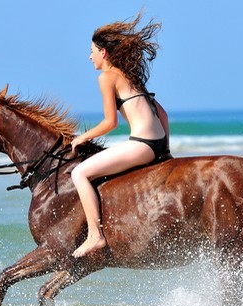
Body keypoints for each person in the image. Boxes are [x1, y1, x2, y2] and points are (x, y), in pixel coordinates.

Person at [70, 12, 170, 258]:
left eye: (92, 50)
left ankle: (95, 236)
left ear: (103, 52)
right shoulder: (130, 75)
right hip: (156, 144)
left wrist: (82, 138)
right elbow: (162, 113)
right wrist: (165, 150)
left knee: (79, 173)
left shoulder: (107, 77)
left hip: (142, 145)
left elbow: (110, 122)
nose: (89, 56)